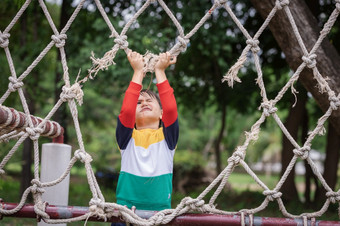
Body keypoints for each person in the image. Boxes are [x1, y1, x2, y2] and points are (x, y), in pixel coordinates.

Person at [114, 50, 179, 222]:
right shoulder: (126, 139)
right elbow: (126, 110)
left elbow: (171, 109)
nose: (143, 103)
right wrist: (137, 72)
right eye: (139, 102)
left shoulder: (168, 138)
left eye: (149, 100)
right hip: (124, 212)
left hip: (159, 214)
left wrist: (160, 71)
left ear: (161, 114)